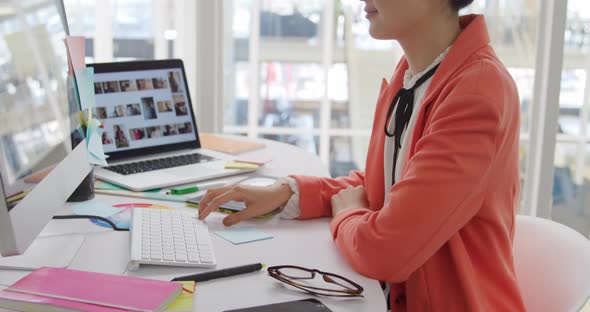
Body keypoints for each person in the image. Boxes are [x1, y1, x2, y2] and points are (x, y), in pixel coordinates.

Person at [198, 0, 525, 311]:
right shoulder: (415, 75)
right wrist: (288, 193)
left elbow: (388, 251)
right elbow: (390, 186)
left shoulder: (476, 92)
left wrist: (347, 216)